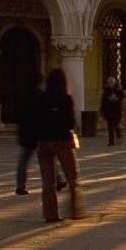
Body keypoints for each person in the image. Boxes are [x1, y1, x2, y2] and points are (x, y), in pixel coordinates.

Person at [34, 68, 83, 222]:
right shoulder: (65, 98)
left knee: (48, 182)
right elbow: (70, 121)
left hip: (44, 142)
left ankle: (50, 214)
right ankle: (75, 210)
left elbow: (35, 120)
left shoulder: (41, 98)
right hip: (62, 141)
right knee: (72, 177)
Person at [13, 74, 43, 195]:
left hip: (26, 133)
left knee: (23, 161)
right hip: (40, 133)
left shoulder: (23, 96)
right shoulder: (41, 96)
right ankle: (58, 179)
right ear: (40, 83)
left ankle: (20, 185)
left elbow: (18, 114)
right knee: (48, 158)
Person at [100, 77, 124, 145]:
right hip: (108, 111)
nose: (110, 84)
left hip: (117, 111)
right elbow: (103, 101)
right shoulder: (106, 90)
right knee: (110, 127)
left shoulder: (119, 90)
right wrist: (102, 110)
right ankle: (111, 141)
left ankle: (119, 136)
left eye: (112, 82)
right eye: (109, 82)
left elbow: (122, 100)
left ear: (114, 82)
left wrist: (116, 100)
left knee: (116, 125)